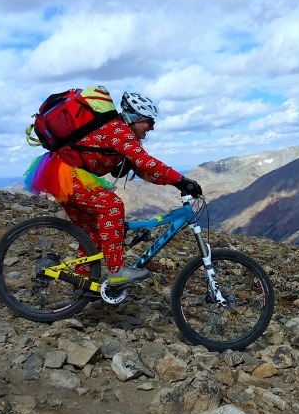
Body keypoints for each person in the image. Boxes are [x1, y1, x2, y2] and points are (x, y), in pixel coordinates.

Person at [24, 91, 202, 284]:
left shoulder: (123, 133)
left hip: (66, 175)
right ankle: (117, 271)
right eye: (149, 122)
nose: (151, 128)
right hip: (67, 175)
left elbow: (146, 171)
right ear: (136, 118)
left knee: (93, 234)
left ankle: (82, 287)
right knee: (112, 206)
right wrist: (181, 180)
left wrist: (175, 183)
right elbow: (146, 163)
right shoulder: (117, 130)